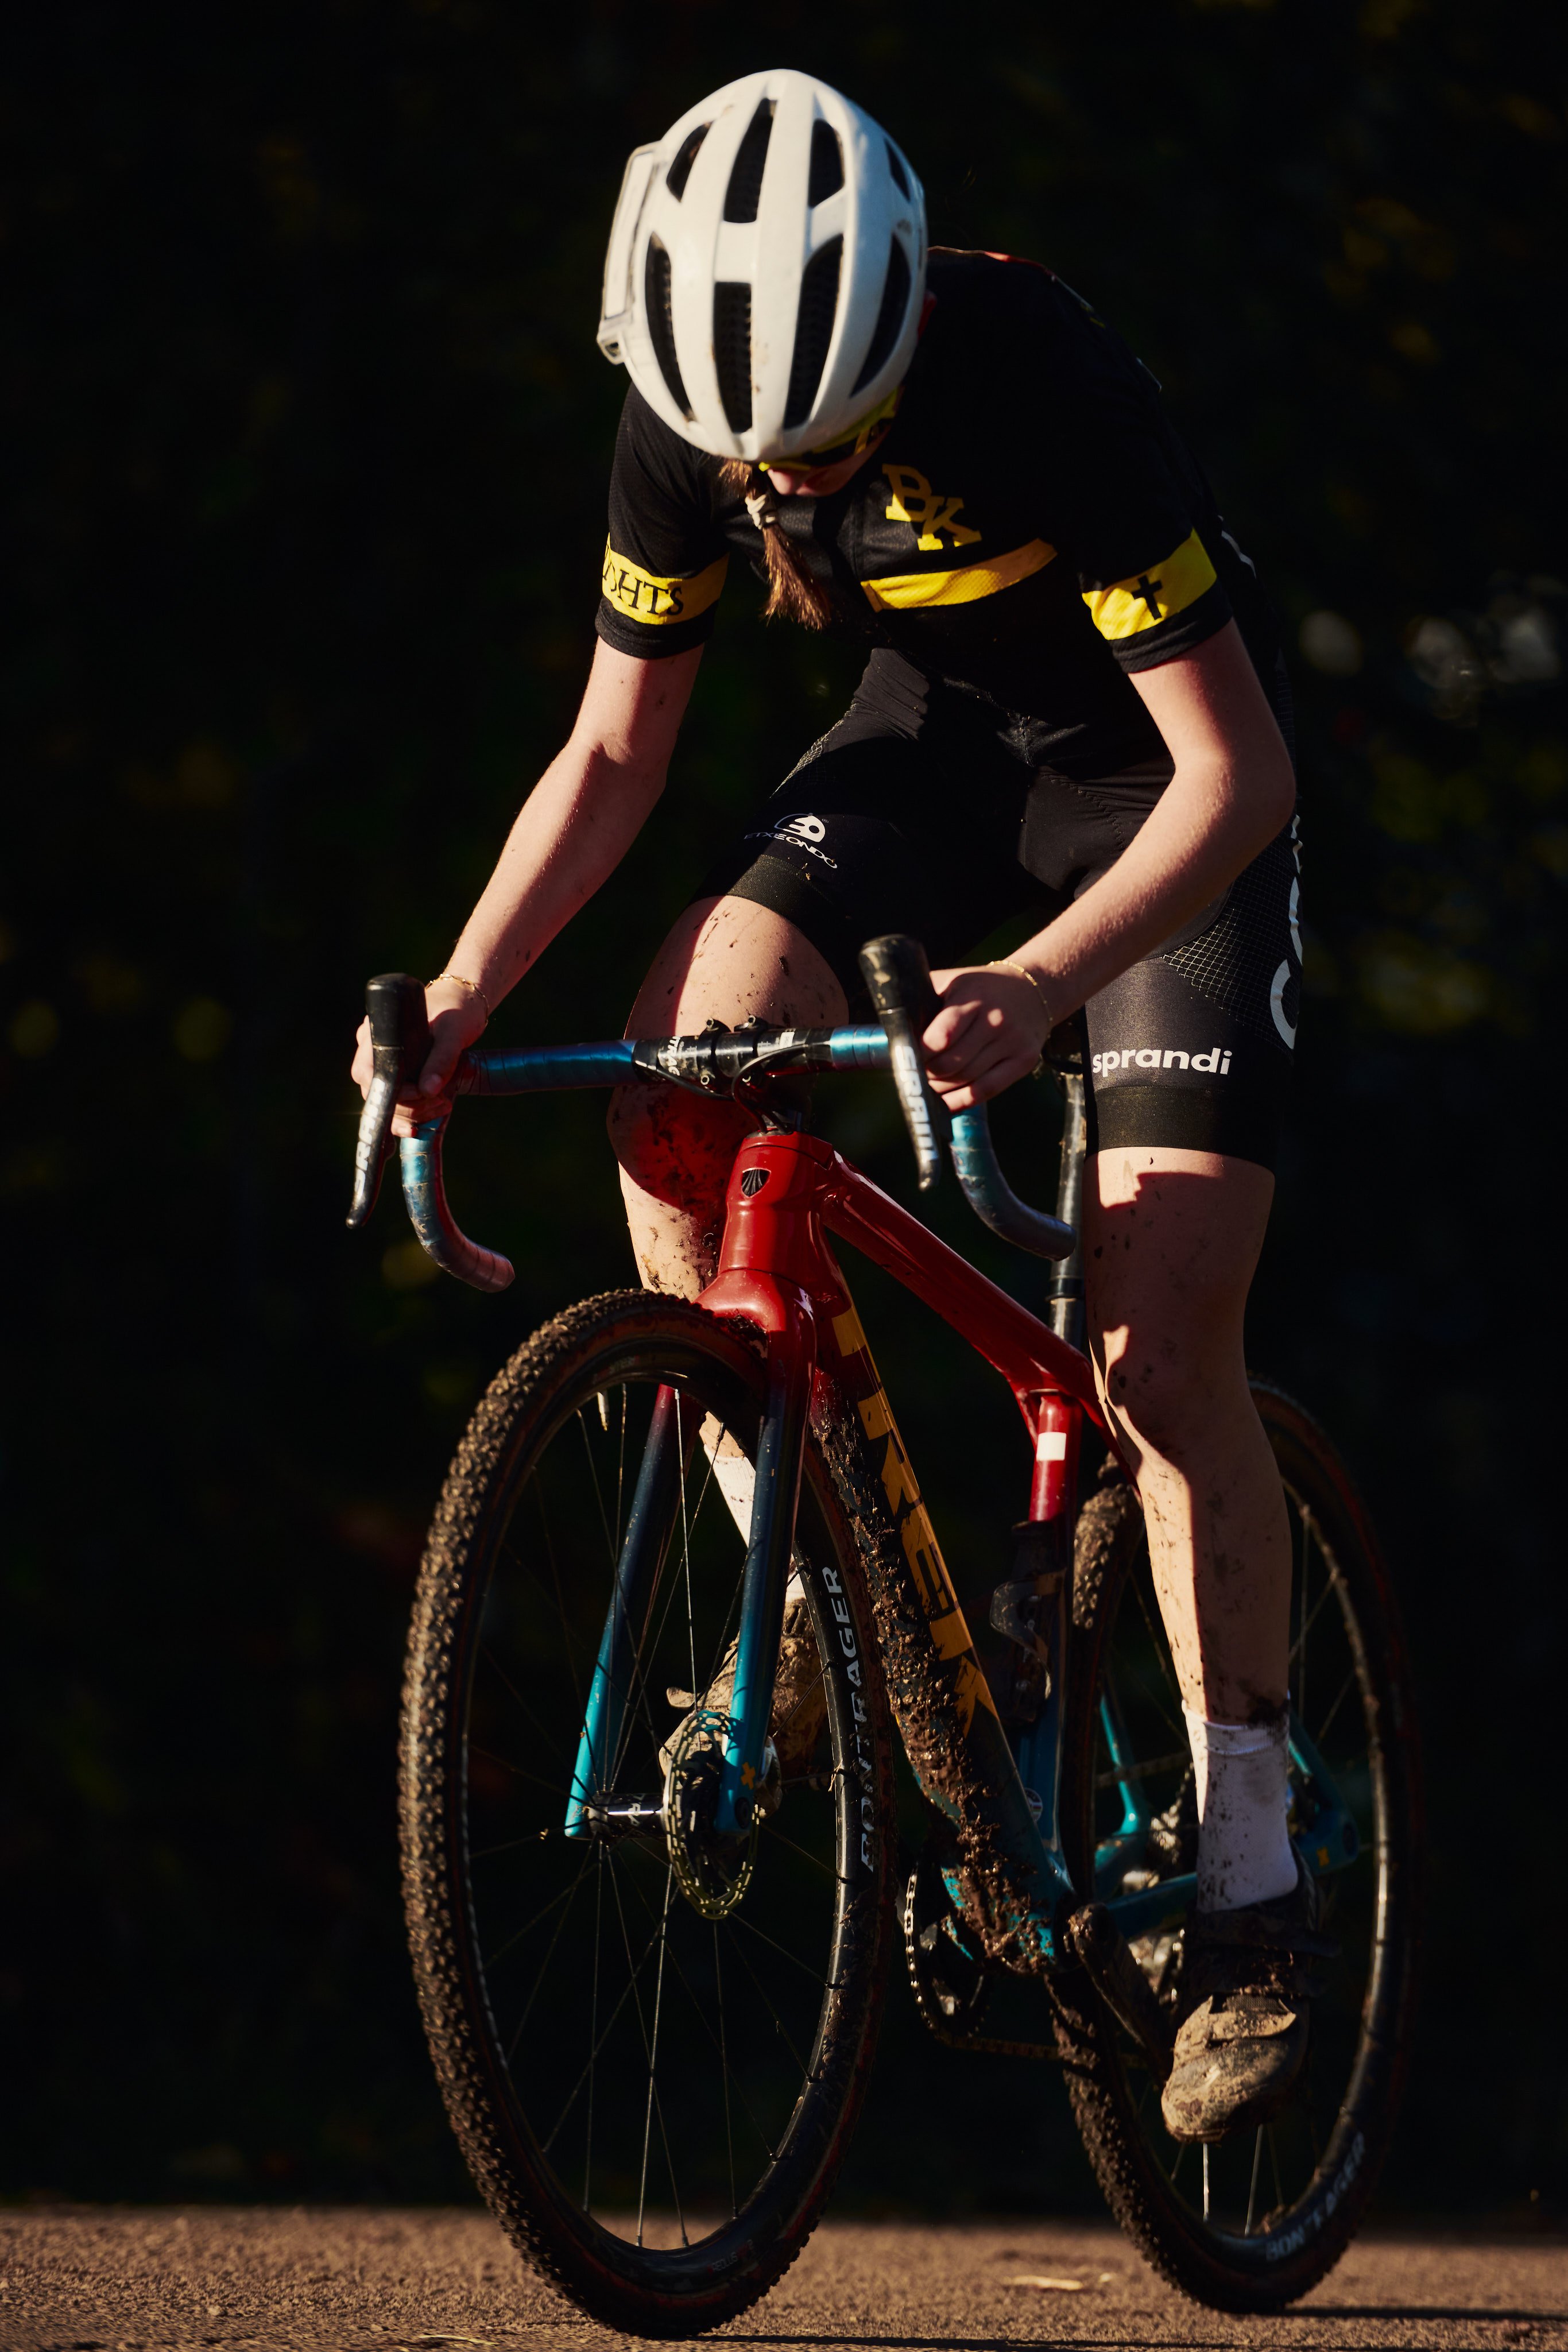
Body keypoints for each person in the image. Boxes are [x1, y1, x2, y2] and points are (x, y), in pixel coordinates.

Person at [353, 68, 1315, 2145]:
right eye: (750, 458)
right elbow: (614, 752)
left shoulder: (1035, 375)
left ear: (900, 324)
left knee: (1155, 1352)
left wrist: (1043, 985)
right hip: (927, 764)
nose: (778, 485)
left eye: (823, 444)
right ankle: (791, 1601)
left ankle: (1249, 1883)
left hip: (1153, 805)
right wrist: (459, 991)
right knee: (679, 1078)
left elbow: (1238, 775)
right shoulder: (678, 421)